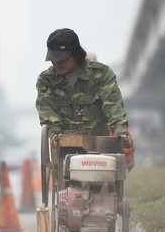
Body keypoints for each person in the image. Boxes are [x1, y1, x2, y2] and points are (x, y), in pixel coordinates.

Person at [35, 28, 135, 171]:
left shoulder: (102, 75)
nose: (57, 63)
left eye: (62, 59)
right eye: (53, 59)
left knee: (106, 183)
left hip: (99, 147)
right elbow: (47, 110)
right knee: (64, 187)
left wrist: (121, 132)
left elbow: (113, 106)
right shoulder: (46, 80)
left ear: (76, 54)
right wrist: (55, 133)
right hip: (64, 148)